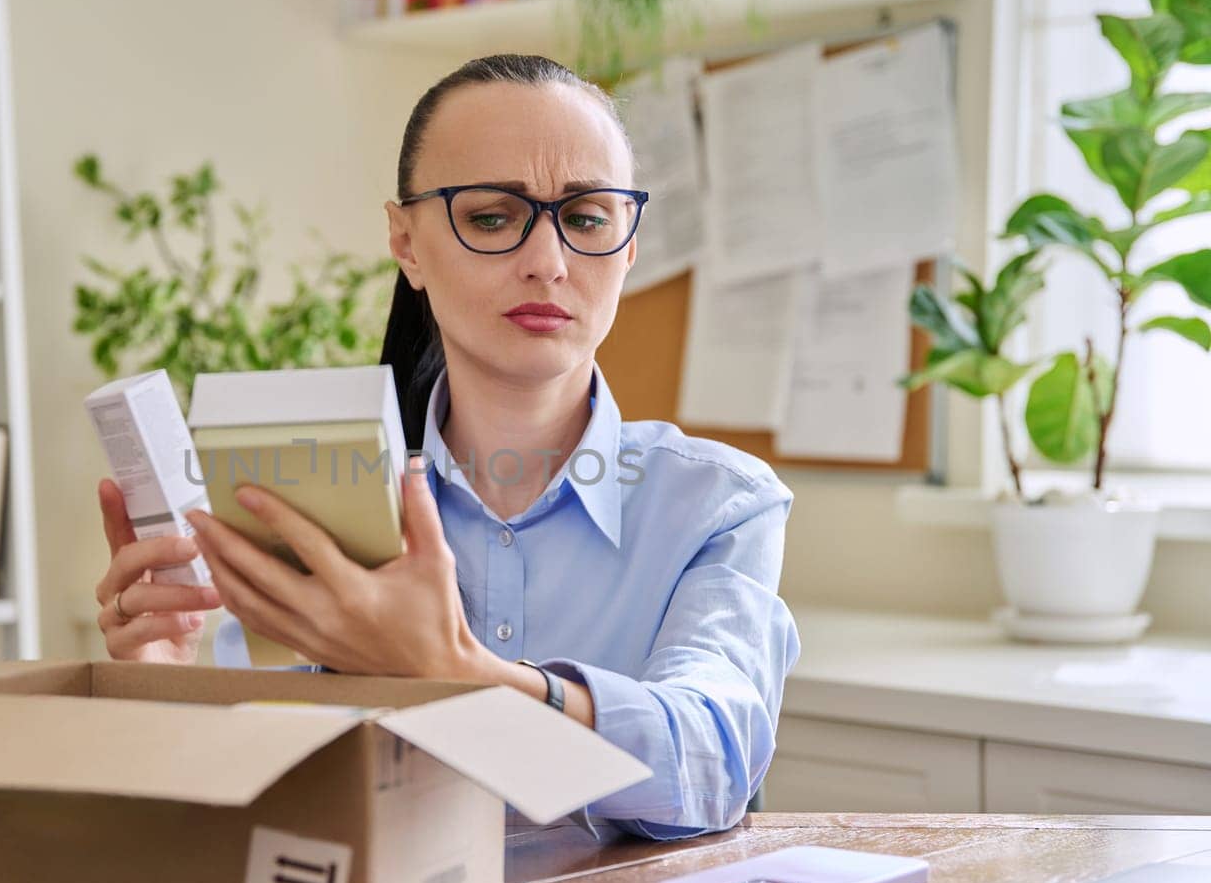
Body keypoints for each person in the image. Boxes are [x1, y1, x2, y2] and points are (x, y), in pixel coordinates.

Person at [93, 54, 799, 840]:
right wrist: (162, 683)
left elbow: (713, 760)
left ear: (628, 248)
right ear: (406, 243)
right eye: (492, 216)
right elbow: (257, 810)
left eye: (588, 217)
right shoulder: (311, 497)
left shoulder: (717, 505)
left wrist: (457, 674)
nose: (548, 261)